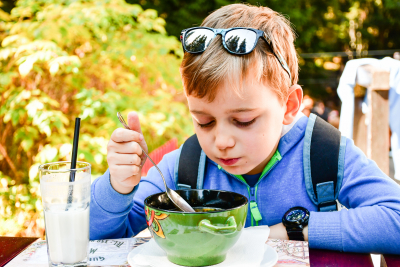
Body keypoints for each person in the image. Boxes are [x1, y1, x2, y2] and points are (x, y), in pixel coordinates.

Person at [90, 4, 400, 254]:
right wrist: (117, 186)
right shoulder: (185, 168)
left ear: (289, 106)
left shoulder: (323, 154)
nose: (221, 141)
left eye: (244, 121)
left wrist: (296, 229)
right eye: (203, 121)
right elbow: (95, 235)